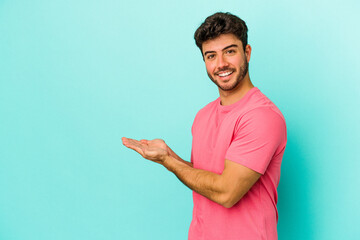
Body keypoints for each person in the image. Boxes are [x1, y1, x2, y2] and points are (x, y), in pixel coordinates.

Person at [122, 12, 287, 240]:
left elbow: (227, 192)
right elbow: (207, 175)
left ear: (247, 53)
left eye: (230, 51)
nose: (221, 64)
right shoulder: (203, 115)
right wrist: (168, 155)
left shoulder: (261, 116)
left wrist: (168, 162)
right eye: (211, 56)